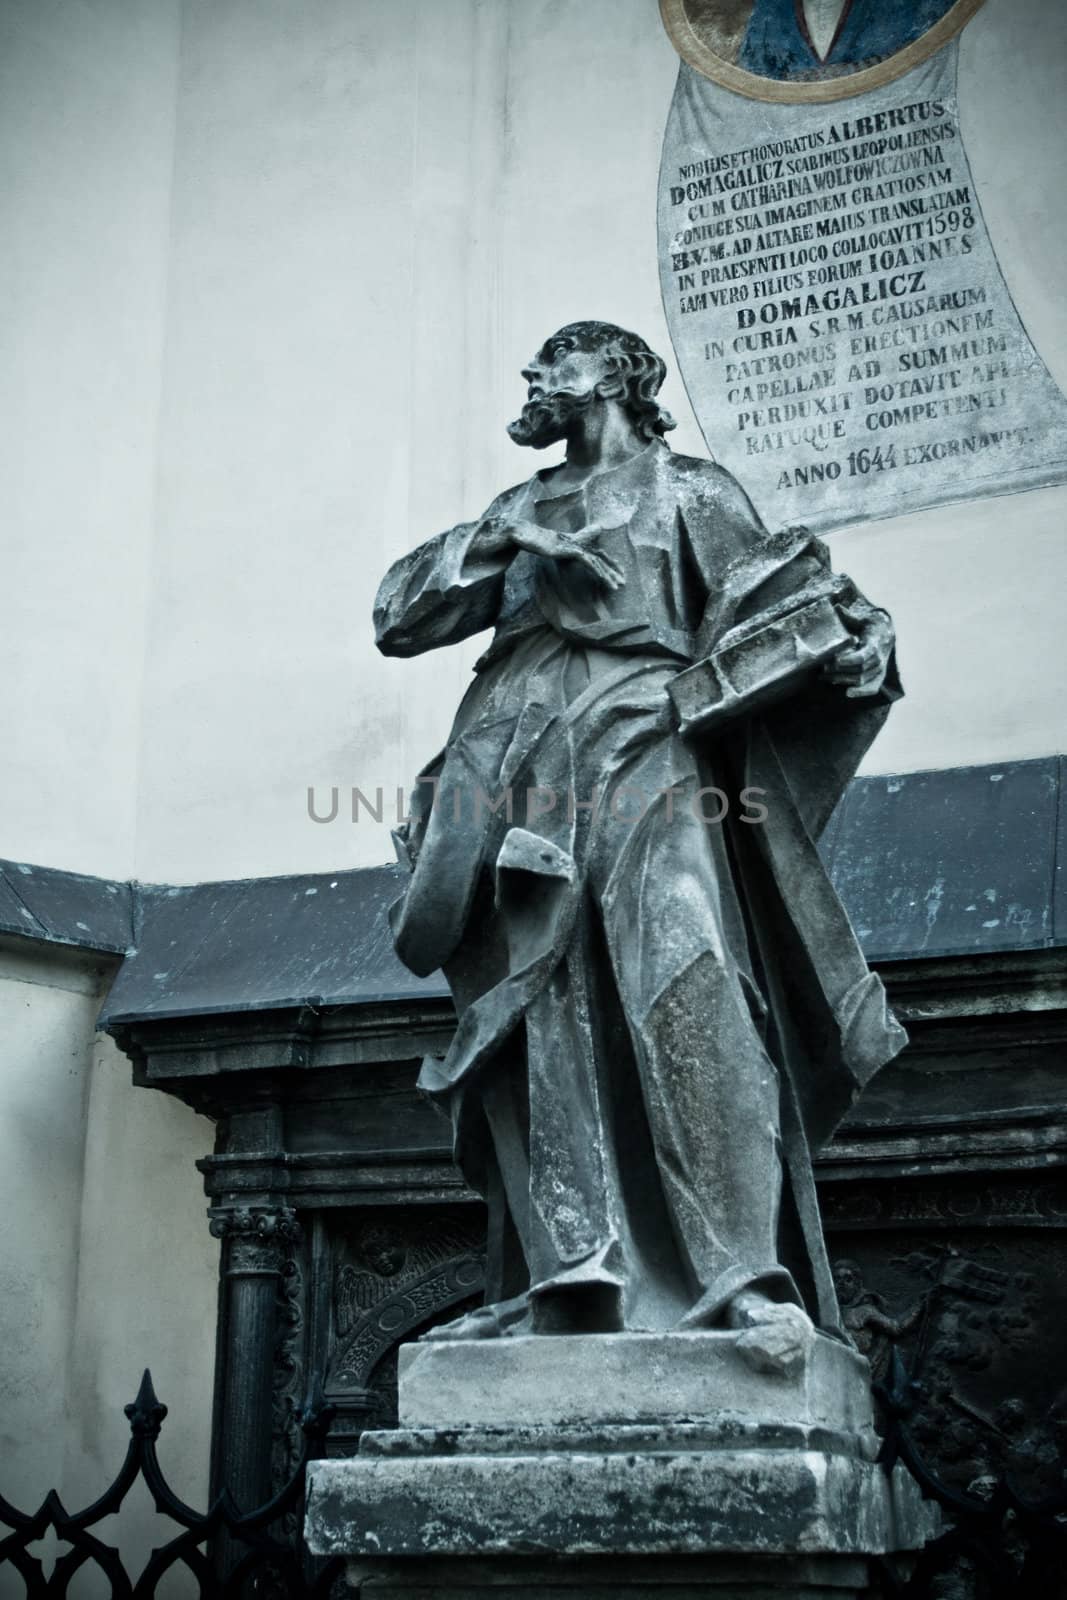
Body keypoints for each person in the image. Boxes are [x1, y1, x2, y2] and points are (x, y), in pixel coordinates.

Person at [373, 320, 905, 1370]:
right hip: (512, 761)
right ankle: (566, 1276)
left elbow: (781, 603)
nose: (531, 374)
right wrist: (507, 544)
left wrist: (859, 629)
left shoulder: (689, 491)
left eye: (557, 358)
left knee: (686, 971)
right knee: (543, 1012)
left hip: (648, 741)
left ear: (616, 376)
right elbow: (397, 616)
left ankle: (742, 1273)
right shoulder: (518, 508)